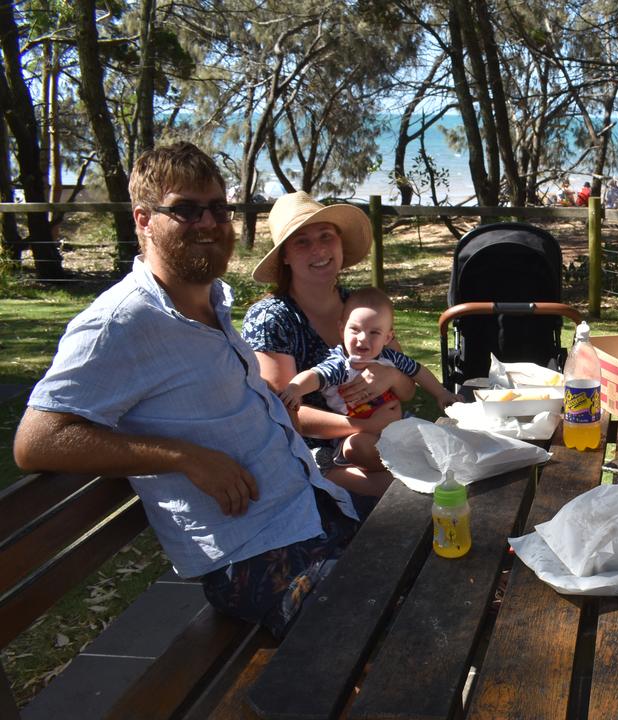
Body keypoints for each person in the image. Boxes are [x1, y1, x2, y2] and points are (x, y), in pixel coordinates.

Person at [13, 142, 360, 637]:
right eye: (186, 209)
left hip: (309, 510)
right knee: (378, 625)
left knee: (429, 573)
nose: (208, 222)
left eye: (218, 208)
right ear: (143, 219)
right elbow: (36, 441)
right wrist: (184, 457)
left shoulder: (211, 300)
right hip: (254, 555)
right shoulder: (119, 323)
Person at [242, 191, 415, 500]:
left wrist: (393, 378)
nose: (318, 249)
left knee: (442, 471)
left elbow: (405, 383)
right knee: (407, 493)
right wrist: (362, 424)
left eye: (326, 236)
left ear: (340, 243)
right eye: (302, 241)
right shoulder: (272, 319)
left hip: (384, 436)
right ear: (284, 256)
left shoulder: (360, 305)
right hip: (317, 452)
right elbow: (285, 414)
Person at [278, 286, 460, 470]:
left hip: (396, 424)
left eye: (374, 332)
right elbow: (315, 376)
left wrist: (441, 393)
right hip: (356, 433)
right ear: (342, 330)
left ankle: (421, 459)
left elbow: (418, 371)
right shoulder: (341, 364)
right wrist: (295, 388)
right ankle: (404, 465)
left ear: (388, 337)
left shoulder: (390, 358)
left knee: (429, 434)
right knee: (356, 446)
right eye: (355, 330)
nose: (363, 338)